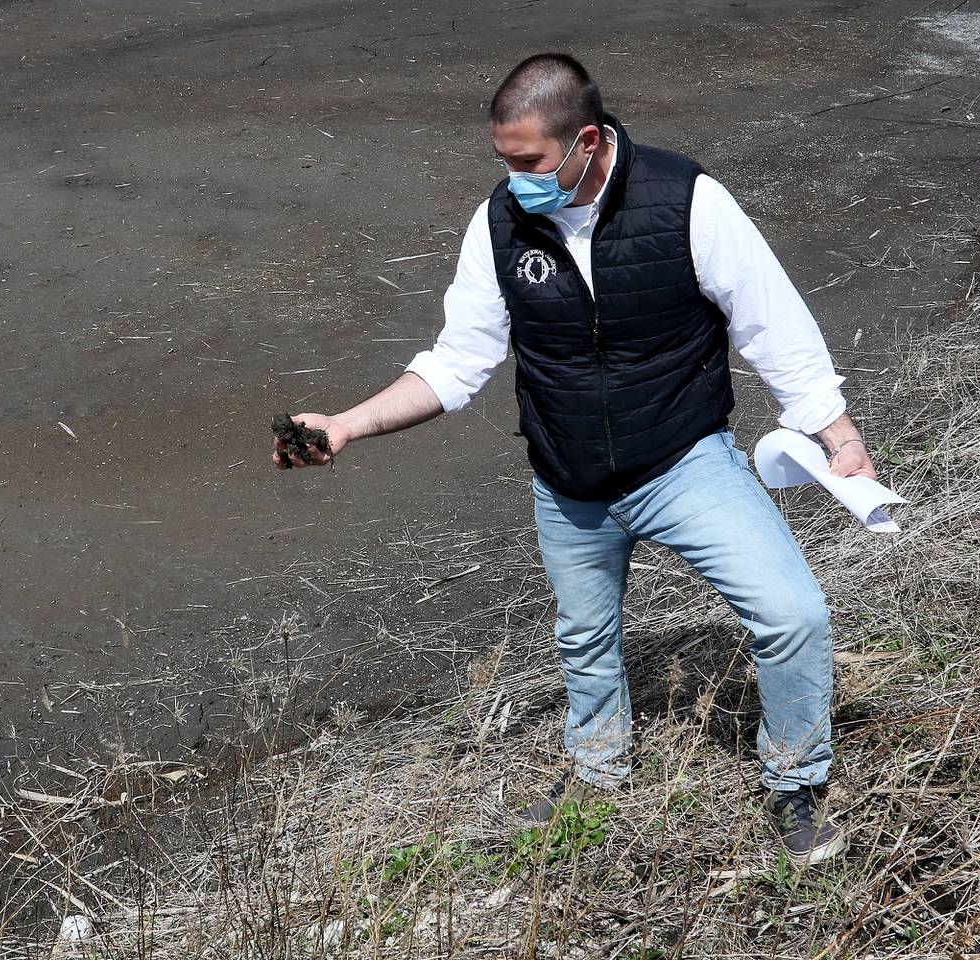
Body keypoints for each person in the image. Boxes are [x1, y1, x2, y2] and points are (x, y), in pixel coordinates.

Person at [271, 53, 877, 866]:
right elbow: (457, 362)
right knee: (586, 640)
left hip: (683, 462)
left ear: (585, 141)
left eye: (526, 161)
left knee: (793, 614)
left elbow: (778, 332)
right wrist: (345, 425)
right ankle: (598, 778)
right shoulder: (500, 223)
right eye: (502, 161)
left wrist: (841, 442)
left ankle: (793, 785)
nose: (512, 178)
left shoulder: (688, 201)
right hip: (568, 484)